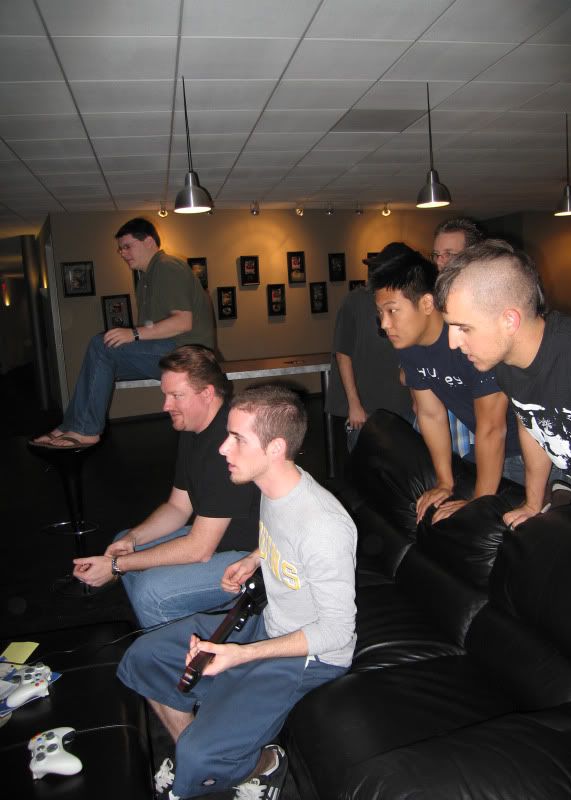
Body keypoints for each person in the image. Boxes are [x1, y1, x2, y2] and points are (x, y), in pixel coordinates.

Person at [117, 384, 357, 799]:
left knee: (199, 754)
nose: (223, 448)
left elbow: (337, 633)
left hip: (310, 657)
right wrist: (255, 558)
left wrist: (241, 655)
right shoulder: (276, 487)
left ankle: (261, 764)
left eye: (237, 439)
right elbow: (283, 537)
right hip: (270, 622)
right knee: (145, 657)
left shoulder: (324, 527)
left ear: (275, 448)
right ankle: (210, 751)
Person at [72, 346, 259, 628]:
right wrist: (132, 539)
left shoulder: (227, 444)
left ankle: (183, 647)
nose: (165, 405)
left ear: (207, 394)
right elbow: (178, 507)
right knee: (126, 544)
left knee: (151, 592)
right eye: (165, 395)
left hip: (251, 557)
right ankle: (171, 626)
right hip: (215, 539)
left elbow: (199, 549)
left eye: (176, 395)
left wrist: (115, 566)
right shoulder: (194, 429)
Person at [434, 238, 571, 527]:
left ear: (509, 321)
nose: (452, 342)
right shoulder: (506, 367)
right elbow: (532, 426)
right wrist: (533, 503)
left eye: (464, 328)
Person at [370, 244, 522, 524]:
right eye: (381, 313)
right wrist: (444, 482)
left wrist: (479, 503)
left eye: (392, 311)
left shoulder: (469, 338)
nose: (384, 324)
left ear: (427, 304)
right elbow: (430, 414)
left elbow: (492, 427)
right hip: (486, 449)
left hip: (527, 451)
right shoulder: (409, 347)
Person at [33, 218, 215, 449]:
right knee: (98, 362)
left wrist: (134, 334)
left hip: (189, 356)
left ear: (149, 242)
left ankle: (85, 430)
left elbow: (182, 322)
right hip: (172, 351)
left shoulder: (167, 266)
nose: (122, 253)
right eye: (120, 249)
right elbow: (154, 329)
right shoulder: (145, 278)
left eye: (127, 246)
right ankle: (70, 426)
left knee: (101, 346)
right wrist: (135, 336)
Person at [326, 242, 414, 451]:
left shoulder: (410, 301)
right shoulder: (356, 301)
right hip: (368, 408)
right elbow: (342, 353)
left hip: (405, 405)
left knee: (406, 466)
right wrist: (354, 404)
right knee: (368, 465)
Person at [431, 217, 485, 458]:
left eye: (449, 254)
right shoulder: (434, 300)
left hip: (501, 431)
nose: (440, 262)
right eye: (436, 255)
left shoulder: (491, 299)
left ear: (473, 255)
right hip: (455, 420)